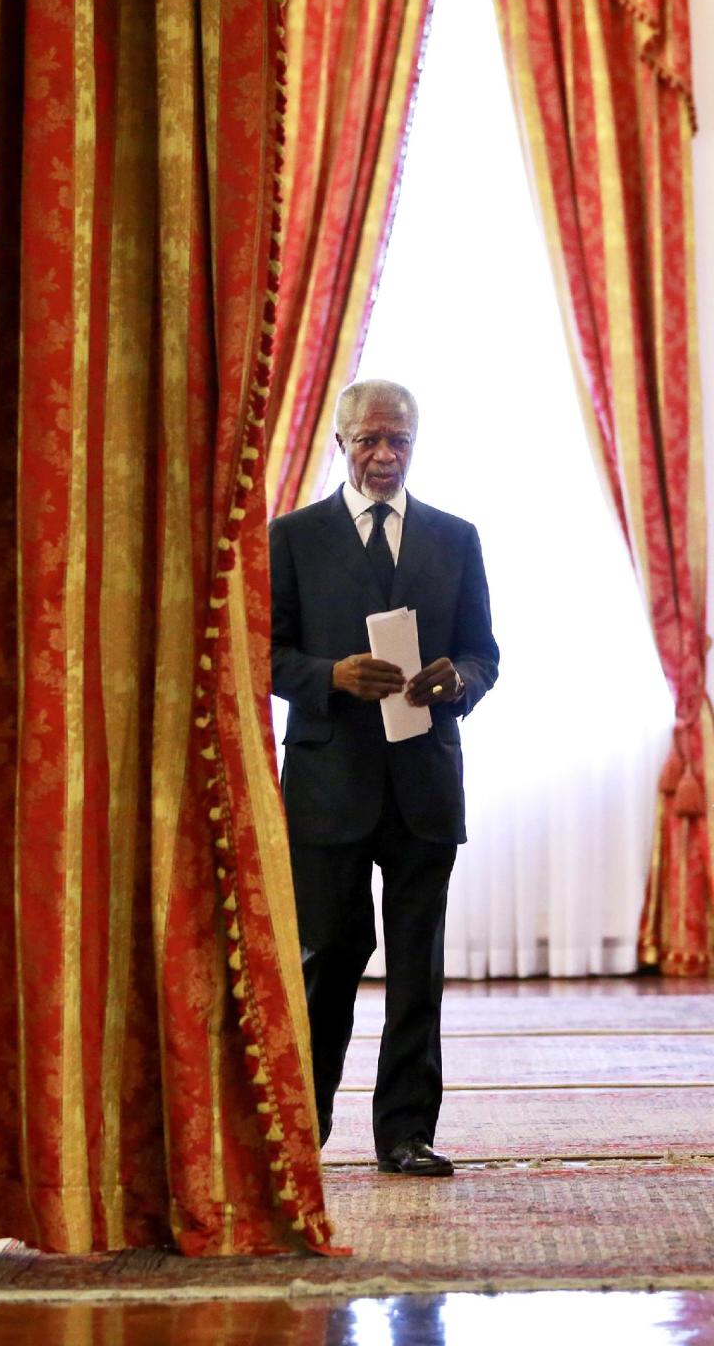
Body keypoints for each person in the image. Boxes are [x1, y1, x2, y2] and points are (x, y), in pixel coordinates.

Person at [269, 379, 498, 1176]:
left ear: (414, 445)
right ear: (340, 444)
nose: (383, 455)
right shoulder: (292, 538)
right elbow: (263, 654)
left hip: (424, 784)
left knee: (416, 963)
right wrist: (330, 675)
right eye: (368, 440)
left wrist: (459, 681)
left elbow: (484, 653)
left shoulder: (455, 537)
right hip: (328, 787)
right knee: (327, 958)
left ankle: (405, 1134)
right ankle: (304, 1131)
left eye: (397, 440)